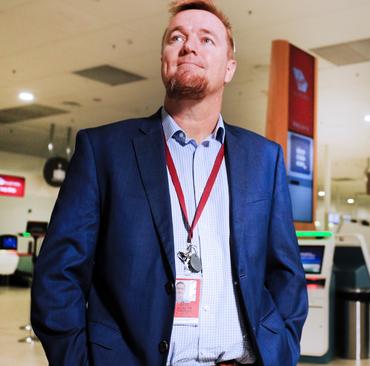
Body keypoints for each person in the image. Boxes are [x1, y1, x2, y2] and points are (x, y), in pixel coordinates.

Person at [30, 1, 308, 365]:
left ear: (229, 68)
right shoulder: (104, 152)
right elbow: (58, 275)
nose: (189, 45)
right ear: (164, 58)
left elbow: (286, 273)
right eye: (177, 37)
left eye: (207, 39)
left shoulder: (263, 158)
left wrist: (280, 349)